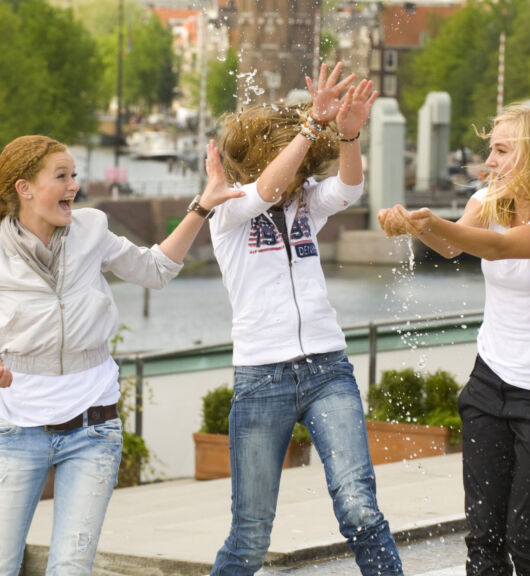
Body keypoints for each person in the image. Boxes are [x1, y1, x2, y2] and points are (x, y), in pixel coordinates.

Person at [0, 134, 242, 576]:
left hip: (93, 430)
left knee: (71, 568)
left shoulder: (92, 229)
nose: (73, 187)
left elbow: (156, 269)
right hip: (18, 430)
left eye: (75, 176)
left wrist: (202, 205)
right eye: (61, 177)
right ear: (24, 188)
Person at [207, 63, 403, 575]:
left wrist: (349, 135)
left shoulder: (305, 205)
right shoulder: (228, 213)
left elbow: (349, 188)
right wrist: (313, 125)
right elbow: (266, 191)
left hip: (326, 370)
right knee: (250, 534)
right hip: (261, 377)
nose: (296, 180)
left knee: (361, 510)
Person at [378, 102, 530, 575]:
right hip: (488, 387)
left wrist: (428, 222)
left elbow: (499, 247)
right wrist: (409, 227)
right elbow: (454, 246)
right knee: (483, 541)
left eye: (500, 150)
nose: (488, 161)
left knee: (527, 542)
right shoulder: (486, 201)